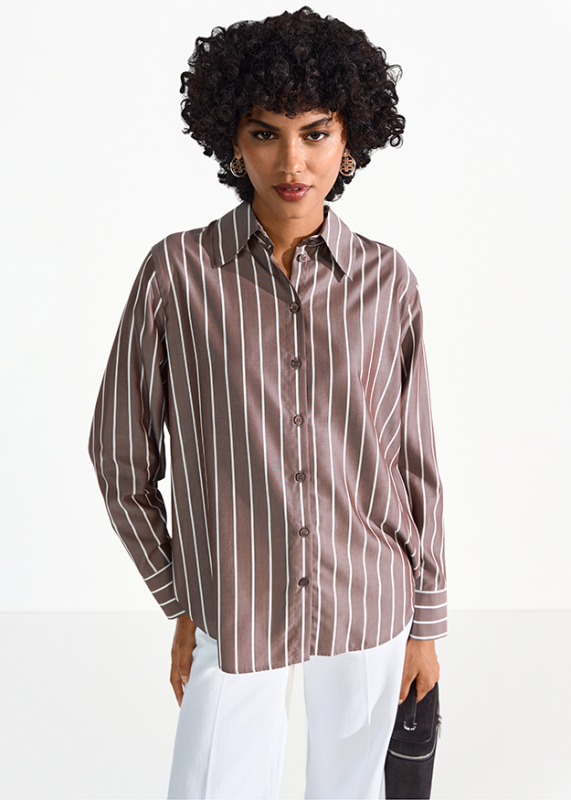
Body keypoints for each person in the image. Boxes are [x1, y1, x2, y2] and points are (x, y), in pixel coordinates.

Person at [89, 7, 447, 799]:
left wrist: (424, 625)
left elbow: (413, 463)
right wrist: (181, 596)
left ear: (350, 141)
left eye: (315, 133)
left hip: (369, 595)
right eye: (265, 133)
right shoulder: (177, 272)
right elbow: (118, 452)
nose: (292, 160)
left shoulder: (387, 280)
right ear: (232, 141)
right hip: (234, 600)